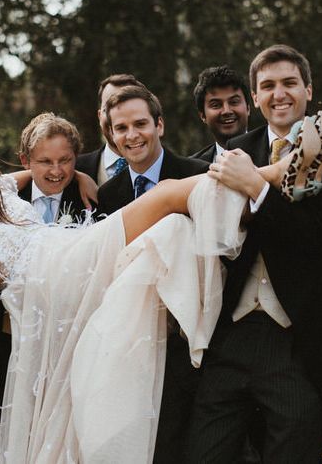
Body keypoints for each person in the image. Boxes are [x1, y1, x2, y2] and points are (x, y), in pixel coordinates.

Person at [0, 94, 322, 463]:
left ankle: (271, 184)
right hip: (61, 269)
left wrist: (84, 175)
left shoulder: (1, 192)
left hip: (68, 260)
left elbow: (35, 170)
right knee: (165, 199)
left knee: (171, 221)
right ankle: (275, 174)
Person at [187, 44, 322, 462]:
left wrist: (258, 189)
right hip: (232, 328)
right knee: (203, 450)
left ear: (308, 89)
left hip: (299, 330)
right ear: (255, 97)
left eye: (289, 83)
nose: (279, 93)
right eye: (267, 86)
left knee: (297, 445)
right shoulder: (234, 150)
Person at [96, 84, 209, 462]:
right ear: (111, 136)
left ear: (159, 125)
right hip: (133, 342)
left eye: (140, 123)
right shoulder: (107, 195)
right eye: (121, 128)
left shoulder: (198, 175)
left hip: (189, 337)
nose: (132, 135)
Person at [0, 112, 89, 462]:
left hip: (70, 351)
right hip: (5, 347)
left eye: (66, 161)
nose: (56, 171)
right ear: (25, 161)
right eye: (45, 161)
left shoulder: (92, 199)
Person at [76, 73, 146, 185]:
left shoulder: (178, 172)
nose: (116, 117)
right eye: (109, 108)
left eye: (128, 108)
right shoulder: (74, 170)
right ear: (99, 116)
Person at [191, 65, 251, 162]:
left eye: (234, 102)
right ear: (202, 115)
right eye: (216, 105)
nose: (226, 111)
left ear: (248, 108)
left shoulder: (271, 153)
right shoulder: (191, 168)